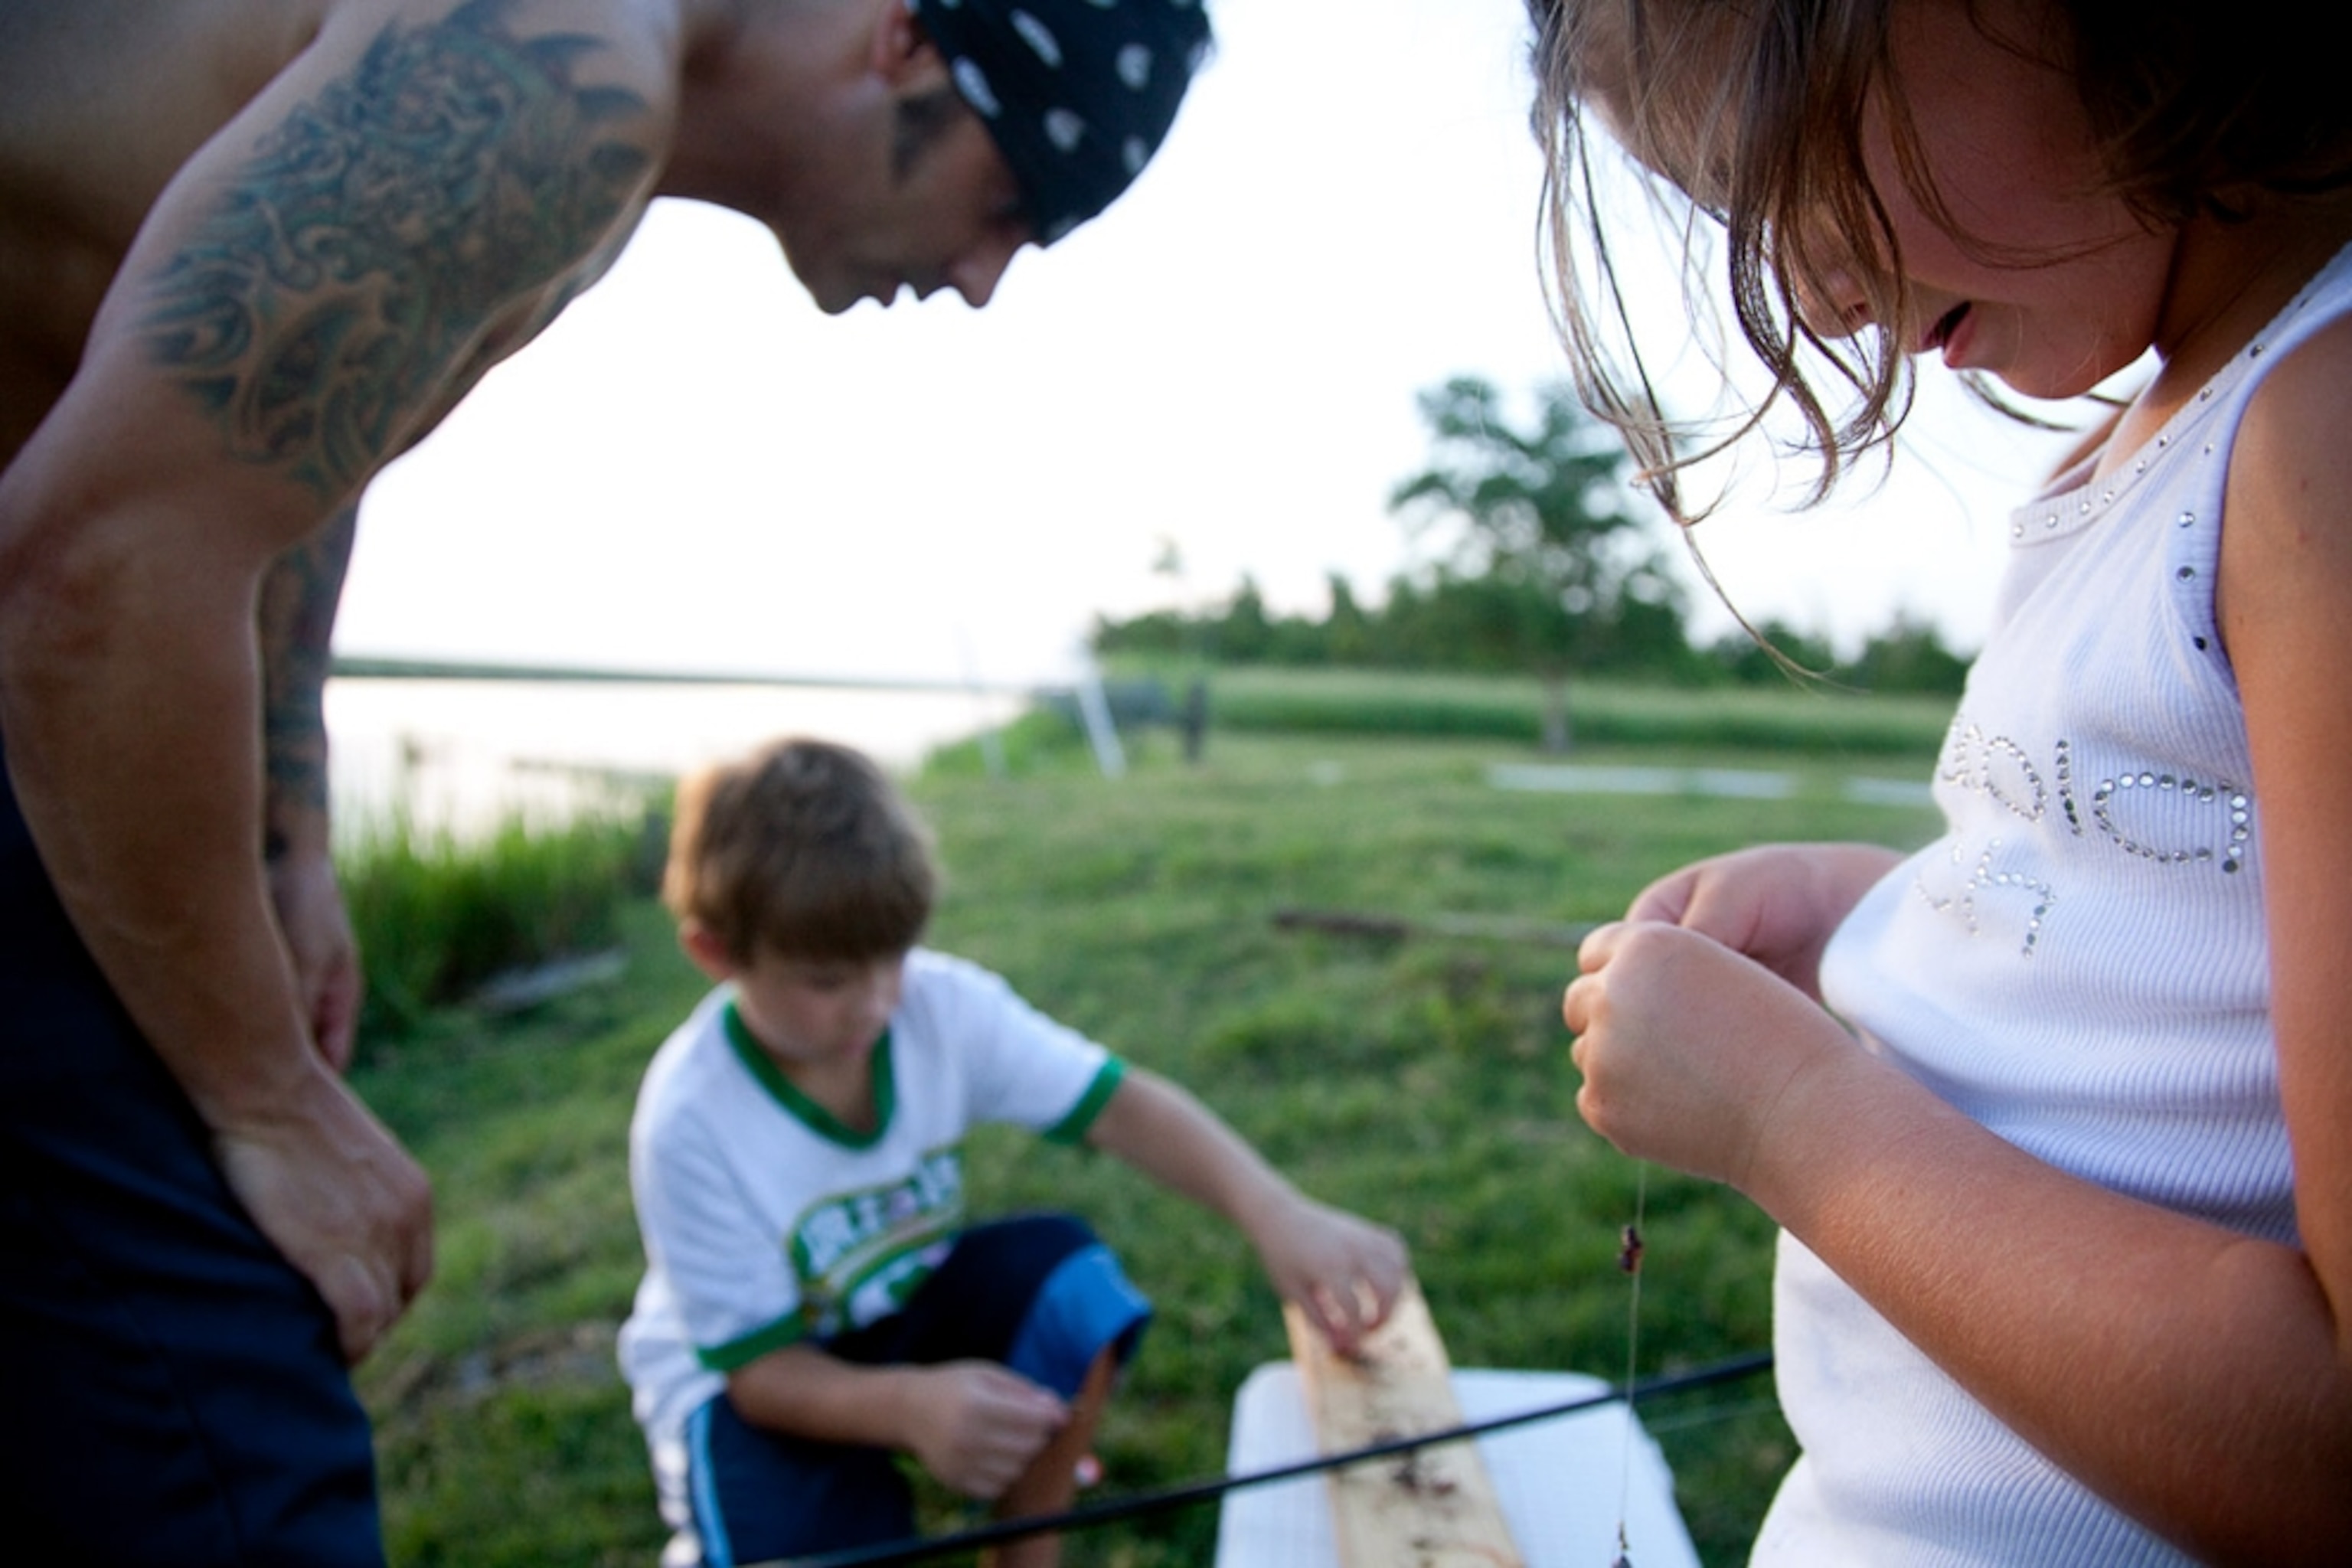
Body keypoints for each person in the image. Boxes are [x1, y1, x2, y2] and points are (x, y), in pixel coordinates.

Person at [0, 1, 1212, 1560]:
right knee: (236, 1450)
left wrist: (286, 832)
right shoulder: (563, 73)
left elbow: (285, 441)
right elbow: (87, 579)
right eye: (1010, 205)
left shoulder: (583, 119)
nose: (983, 283)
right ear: (908, 41)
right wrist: (267, 1098)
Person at [1530, 0, 2352, 1562]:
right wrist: (1878, 908)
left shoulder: (2322, 439)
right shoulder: (2138, 453)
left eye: (1791, 158)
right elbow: (2183, 914)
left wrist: (1788, 1113)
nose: (1814, 288)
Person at [617, 736, 1408, 1566]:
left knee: (1073, 1283)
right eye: (827, 980)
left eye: (894, 957)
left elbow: (1122, 1106)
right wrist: (909, 1407)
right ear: (716, 953)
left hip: (895, 1311)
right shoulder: (689, 1120)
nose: (879, 1002)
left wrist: (1274, 1211)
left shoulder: (941, 1007)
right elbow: (758, 1371)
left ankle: (1028, 1554)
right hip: (754, 1388)